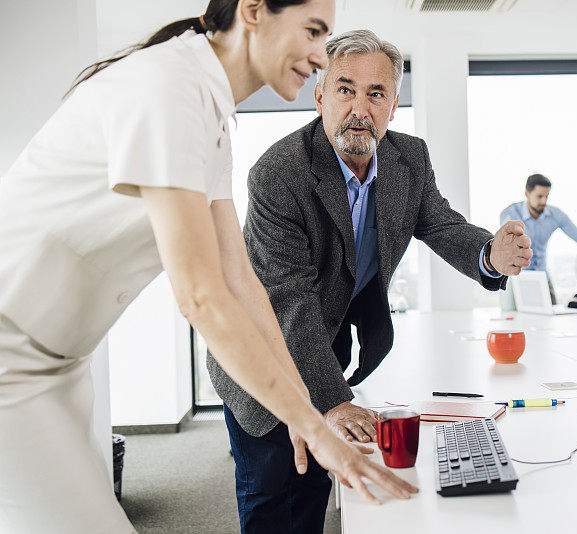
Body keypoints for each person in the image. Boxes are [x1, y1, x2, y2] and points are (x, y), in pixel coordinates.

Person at [0, 3, 418, 533]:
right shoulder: (169, 88)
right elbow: (200, 295)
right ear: (252, 12)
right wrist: (312, 424)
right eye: (313, 32)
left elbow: (241, 284)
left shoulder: (211, 114)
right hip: (10, 358)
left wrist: (301, 412)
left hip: (61, 364)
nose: (320, 55)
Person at [207, 29, 533, 533]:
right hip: (261, 358)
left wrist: (489, 253)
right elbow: (290, 303)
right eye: (345, 89)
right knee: (272, 496)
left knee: (317, 490)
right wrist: (333, 402)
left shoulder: (410, 160)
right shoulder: (278, 173)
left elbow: (441, 224)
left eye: (376, 93)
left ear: (393, 106)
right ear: (319, 96)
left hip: (324, 347)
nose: (360, 107)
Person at [499, 173, 577, 272]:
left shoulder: (556, 215)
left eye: (547, 196)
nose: (544, 201)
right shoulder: (510, 214)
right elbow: (503, 247)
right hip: (517, 275)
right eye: (540, 196)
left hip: (542, 273)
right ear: (527, 194)